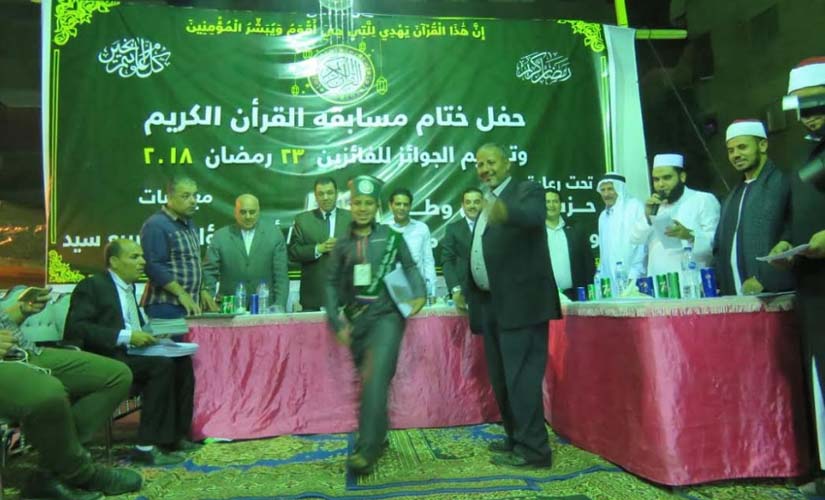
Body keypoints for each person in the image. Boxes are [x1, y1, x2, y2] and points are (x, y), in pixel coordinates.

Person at [460, 143, 559, 469]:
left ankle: (535, 450)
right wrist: (468, 288)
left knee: (522, 379)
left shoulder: (526, 190)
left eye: (490, 162)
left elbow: (533, 217)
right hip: (492, 305)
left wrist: (507, 212)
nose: (484, 169)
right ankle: (516, 437)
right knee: (502, 379)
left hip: (523, 306)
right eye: (479, 164)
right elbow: (480, 250)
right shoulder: (487, 200)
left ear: (507, 163)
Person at [324, 175, 426, 475]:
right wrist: (336, 321)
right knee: (373, 382)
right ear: (351, 205)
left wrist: (419, 294)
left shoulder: (392, 237)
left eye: (369, 203)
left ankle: (366, 449)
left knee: (373, 377)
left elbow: (410, 267)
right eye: (358, 203)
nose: (363, 208)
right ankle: (378, 435)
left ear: (377, 206)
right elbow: (330, 284)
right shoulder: (342, 244)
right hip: (357, 322)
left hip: (387, 318)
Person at [65, 239, 199, 466]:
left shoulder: (129, 288)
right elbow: (76, 328)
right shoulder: (93, 286)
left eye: (142, 256)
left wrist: (153, 334)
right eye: (134, 257)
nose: (142, 262)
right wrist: (126, 336)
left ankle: (174, 437)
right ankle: (145, 447)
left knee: (182, 361)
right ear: (114, 262)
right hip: (105, 358)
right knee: (161, 366)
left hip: (131, 353)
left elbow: (130, 324)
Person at [0, 291, 142, 500]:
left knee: (117, 376)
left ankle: (52, 471)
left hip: (25, 352)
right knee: (48, 392)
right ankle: (81, 473)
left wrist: (21, 311)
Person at [768, 57, 825, 498]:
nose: (809, 117)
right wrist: (788, 243)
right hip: (813, 289)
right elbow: (799, 215)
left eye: (817, 105)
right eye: (802, 108)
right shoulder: (809, 156)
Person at [713, 120, 792, 295]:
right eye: (731, 150)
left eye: (742, 147)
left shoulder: (783, 182)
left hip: (776, 296)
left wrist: (765, 279)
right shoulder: (732, 196)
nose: (736, 155)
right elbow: (719, 247)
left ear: (762, 145)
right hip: (735, 297)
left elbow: (793, 236)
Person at [630, 153, 721, 277]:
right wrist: (648, 218)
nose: (661, 184)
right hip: (659, 281)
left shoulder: (703, 200)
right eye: (656, 179)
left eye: (666, 178)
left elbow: (716, 244)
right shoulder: (655, 206)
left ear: (682, 177)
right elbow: (635, 239)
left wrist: (690, 235)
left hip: (692, 280)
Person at [140, 176, 217, 318]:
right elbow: (153, 266)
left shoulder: (189, 223)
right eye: (186, 196)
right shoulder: (156, 225)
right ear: (169, 197)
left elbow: (191, 262)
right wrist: (181, 293)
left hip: (189, 304)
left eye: (195, 195)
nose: (193, 201)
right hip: (166, 305)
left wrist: (202, 290)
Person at [203, 194, 289, 312]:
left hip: (265, 307)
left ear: (258, 212)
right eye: (243, 212)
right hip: (229, 308)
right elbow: (209, 272)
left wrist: (279, 305)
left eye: (252, 212)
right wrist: (209, 301)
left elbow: (281, 275)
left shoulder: (274, 235)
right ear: (235, 212)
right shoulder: (220, 236)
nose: (248, 216)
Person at [288, 177, 352, 311]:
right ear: (315, 197)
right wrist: (318, 249)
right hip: (313, 297)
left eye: (330, 192)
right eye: (321, 194)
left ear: (337, 194)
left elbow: (363, 249)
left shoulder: (351, 218)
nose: (325, 197)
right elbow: (293, 252)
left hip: (346, 296)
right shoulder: (303, 220)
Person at [595, 173, 647, 286]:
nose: (606, 194)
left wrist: (635, 274)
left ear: (620, 189)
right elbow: (604, 252)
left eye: (610, 189)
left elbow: (642, 244)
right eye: (603, 190)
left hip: (634, 277)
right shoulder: (603, 216)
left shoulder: (634, 207)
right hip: (610, 281)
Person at [544, 188, 596, 300]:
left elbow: (588, 262)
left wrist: (589, 292)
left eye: (555, 201)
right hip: (545, 296)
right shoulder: (535, 232)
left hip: (574, 295)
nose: (551, 205)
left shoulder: (575, 229)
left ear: (561, 205)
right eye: (547, 202)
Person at [386, 188, 437, 297]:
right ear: (390, 206)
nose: (402, 208)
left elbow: (428, 261)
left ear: (410, 207)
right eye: (398, 204)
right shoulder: (384, 229)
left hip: (416, 289)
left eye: (405, 204)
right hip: (390, 290)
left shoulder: (421, 228)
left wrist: (431, 288)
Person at [441, 187, 483, 300]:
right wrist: (455, 288)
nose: (472, 206)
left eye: (476, 202)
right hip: (463, 292)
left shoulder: (494, 227)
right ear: (463, 206)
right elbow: (447, 261)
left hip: (492, 292)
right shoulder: (453, 229)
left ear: (483, 204)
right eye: (468, 202)